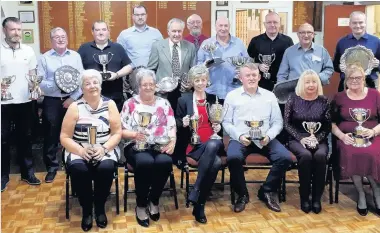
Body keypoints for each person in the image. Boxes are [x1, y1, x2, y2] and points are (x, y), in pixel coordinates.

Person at [223, 63, 292, 213]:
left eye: (254, 75)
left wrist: (269, 136)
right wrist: (239, 136)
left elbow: (278, 122)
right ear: (240, 78)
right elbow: (226, 122)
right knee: (233, 157)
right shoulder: (231, 96)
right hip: (240, 139)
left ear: (259, 77)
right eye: (247, 75)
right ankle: (242, 194)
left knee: (285, 157)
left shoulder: (270, 96)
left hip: (265, 138)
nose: (251, 78)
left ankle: (266, 191)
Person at [60, 69, 122, 231]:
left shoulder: (110, 104)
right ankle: (87, 209)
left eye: (95, 82)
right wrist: (81, 151)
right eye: (87, 83)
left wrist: (104, 148)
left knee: (106, 167)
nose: (92, 86)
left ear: (101, 86)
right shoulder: (75, 107)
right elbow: (65, 136)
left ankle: (100, 206)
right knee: (79, 169)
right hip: (78, 148)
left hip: (105, 147)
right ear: (82, 87)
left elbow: (117, 133)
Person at [121, 69, 176, 227]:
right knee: (145, 162)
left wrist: (172, 142)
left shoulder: (164, 103)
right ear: (139, 86)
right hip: (134, 145)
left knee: (164, 162)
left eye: (151, 84)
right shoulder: (129, 104)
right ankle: (141, 205)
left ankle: (154, 200)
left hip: (159, 144)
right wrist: (134, 135)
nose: (148, 87)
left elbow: (172, 126)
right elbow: (120, 131)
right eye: (144, 84)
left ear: (156, 85)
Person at [175, 65, 224, 223]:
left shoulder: (213, 99)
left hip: (212, 140)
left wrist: (218, 126)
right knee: (215, 162)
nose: (201, 83)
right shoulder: (184, 100)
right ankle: (199, 206)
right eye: (197, 80)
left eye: (203, 79)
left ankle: (196, 191)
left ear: (207, 80)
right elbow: (175, 123)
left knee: (213, 144)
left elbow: (218, 121)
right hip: (193, 144)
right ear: (192, 81)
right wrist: (182, 123)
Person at [331, 64, 380, 216]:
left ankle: (376, 190)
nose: (354, 81)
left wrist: (372, 131)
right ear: (346, 81)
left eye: (358, 78)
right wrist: (342, 136)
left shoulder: (375, 94)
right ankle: (360, 193)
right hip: (348, 138)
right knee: (351, 153)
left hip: (373, 135)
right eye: (351, 78)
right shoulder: (339, 97)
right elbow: (331, 123)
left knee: (371, 153)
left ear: (364, 79)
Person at [38, 27, 84, 183]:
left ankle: (74, 164)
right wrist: (59, 84)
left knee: (75, 132)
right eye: (56, 37)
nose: (60, 39)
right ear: (51, 40)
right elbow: (40, 83)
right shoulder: (44, 58)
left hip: (73, 100)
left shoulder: (76, 56)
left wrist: (73, 97)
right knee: (51, 135)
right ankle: (52, 168)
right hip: (52, 101)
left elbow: (80, 79)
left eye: (63, 36)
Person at [1, 17, 41, 191]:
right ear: (4, 31)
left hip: (25, 101)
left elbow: (33, 74)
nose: (17, 33)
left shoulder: (28, 51)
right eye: (13, 30)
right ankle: (3, 176)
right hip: (3, 103)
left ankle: (28, 173)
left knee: (25, 138)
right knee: (2, 140)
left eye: (19, 29)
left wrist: (35, 87)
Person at [284, 70, 331, 214]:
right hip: (297, 138)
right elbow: (287, 124)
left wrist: (317, 138)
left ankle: (316, 198)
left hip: (319, 137)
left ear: (318, 83)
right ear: (302, 84)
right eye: (307, 82)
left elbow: (327, 125)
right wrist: (301, 138)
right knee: (305, 155)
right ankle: (304, 197)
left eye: (314, 81)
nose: (311, 85)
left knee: (320, 156)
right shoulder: (293, 98)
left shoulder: (324, 101)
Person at [78, 21, 133, 111]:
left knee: (114, 123)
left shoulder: (118, 48)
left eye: (104, 29)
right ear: (92, 32)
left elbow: (129, 67)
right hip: (90, 97)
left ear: (108, 31)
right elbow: (78, 69)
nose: (101, 32)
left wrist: (116, 75)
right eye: (97, 30)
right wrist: (91, 76)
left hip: (115, 97)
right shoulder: (84, 48)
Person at [147, 18, 196, 112]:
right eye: (174, 31)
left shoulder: (190, 47)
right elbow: (150, 70)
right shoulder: (157, 46)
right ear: (168, 31)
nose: (177, 34)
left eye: (179, 31)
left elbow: (193, 71)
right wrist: (154, 86)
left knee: (183, 123)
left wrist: (191, 83)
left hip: (184, 93)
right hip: (163, 94)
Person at [198, 16, 249, 102]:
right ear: (215, 27)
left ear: (229, 27)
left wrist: (242, 70)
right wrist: (205, 65)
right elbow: (198, 66)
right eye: (220, 25)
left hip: (234, 91)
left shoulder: (239, 43)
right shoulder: (206, 44)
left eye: (226, 26)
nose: (223, 28)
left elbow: (247, 63)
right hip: (211, 91)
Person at [117, 5, 163, 95]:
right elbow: (120, 57)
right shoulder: (124, 34)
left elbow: (163, 53)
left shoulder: (156, 33)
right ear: (133, 16)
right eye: (137, 15)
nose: (140, 17)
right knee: (136, 103)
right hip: (133, 76)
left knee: (152, 102)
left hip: (152, 74)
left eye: (142, 14)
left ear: (146, 15)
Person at [333, 11, 380, 92]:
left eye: (361, 22)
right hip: (347, 83)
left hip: (369, 83)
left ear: (365, 23)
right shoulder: (342, 42)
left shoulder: (376, 41)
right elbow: (335, 65)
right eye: (354, 23)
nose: (358, 26)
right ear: (350, 24)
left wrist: (378, 64)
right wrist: (340, 67)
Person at [247, 12, 293, 91]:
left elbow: (292, 62)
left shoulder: (288, 41)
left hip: (282, 85)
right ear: (264, 24)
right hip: (260, 85)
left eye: (275, 22)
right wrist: (258, 65)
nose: (272, 25)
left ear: (279, 24)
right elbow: (248, 61)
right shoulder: (255, 41)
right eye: (269, 22)